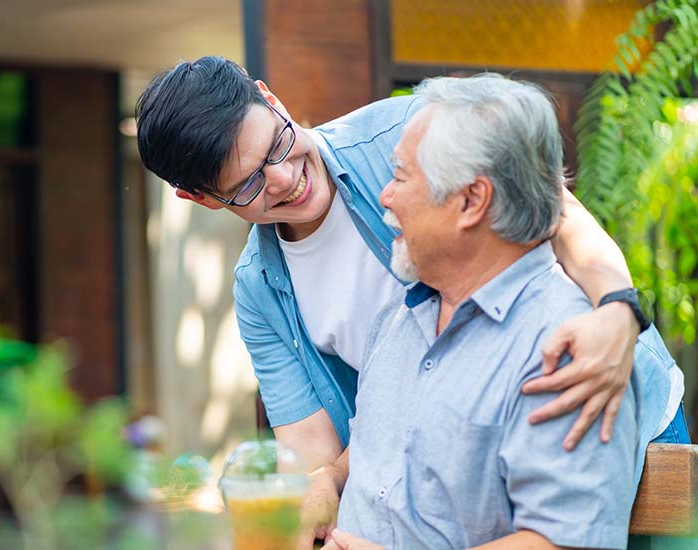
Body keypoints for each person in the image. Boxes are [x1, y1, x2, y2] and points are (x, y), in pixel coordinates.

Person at [135, 57, 687, 542]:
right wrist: (321, 495)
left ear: (271, 98)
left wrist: (618, 312)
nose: (283, 178)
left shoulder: (412, 136)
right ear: (203, 200)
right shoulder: (263, 290)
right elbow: (323, 460)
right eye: (249, 184)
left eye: (278, 142)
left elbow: (558, 216)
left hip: (589, 389)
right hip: (459, 465)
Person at [325, 73, 642, 550]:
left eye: (401, 176)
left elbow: (567, 543)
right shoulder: (399, 315)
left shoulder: (565, 347)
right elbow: (392, 445)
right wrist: (325, 481)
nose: (384, 196)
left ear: (471, 201)